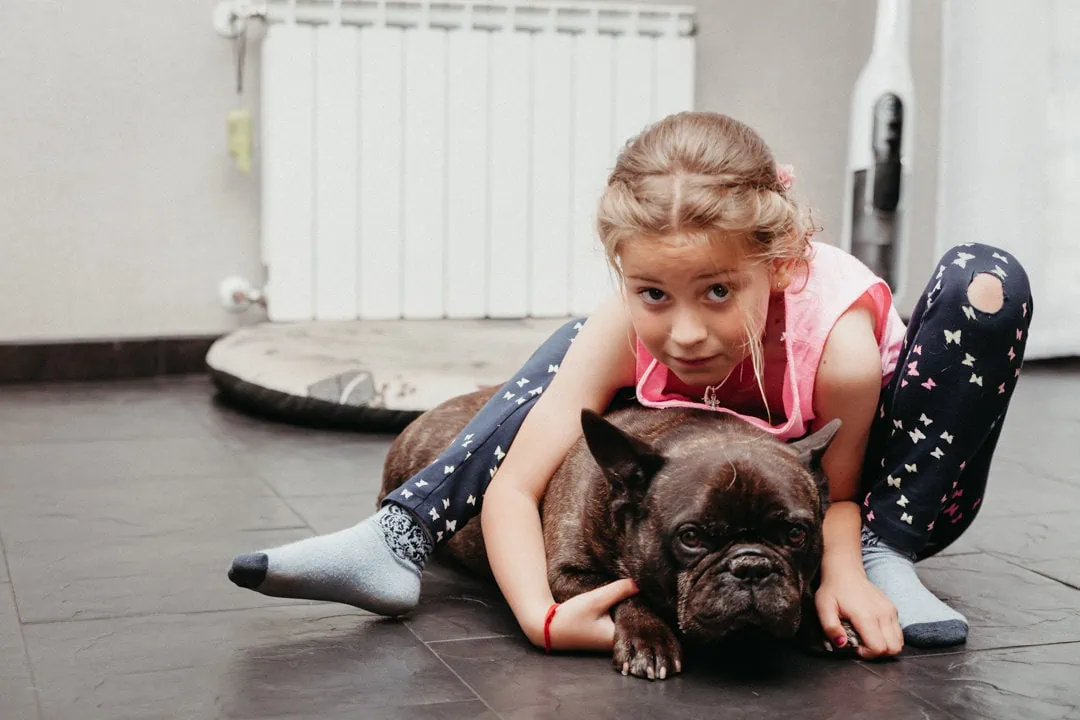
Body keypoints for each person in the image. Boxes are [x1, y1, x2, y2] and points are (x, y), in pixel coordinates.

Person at [227, 112, 1032, 659]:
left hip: (877, 493)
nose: (685, 332)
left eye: (718, 291)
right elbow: (516, 488)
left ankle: (888, 559)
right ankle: (402, 533)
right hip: (709, 481)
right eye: (653, 293)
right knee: (572, 348)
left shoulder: (839, 352)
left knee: (984, 279)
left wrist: (847, 568)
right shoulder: (622, 322)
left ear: (783, 263)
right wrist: (542, 618)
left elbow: (840, 492)